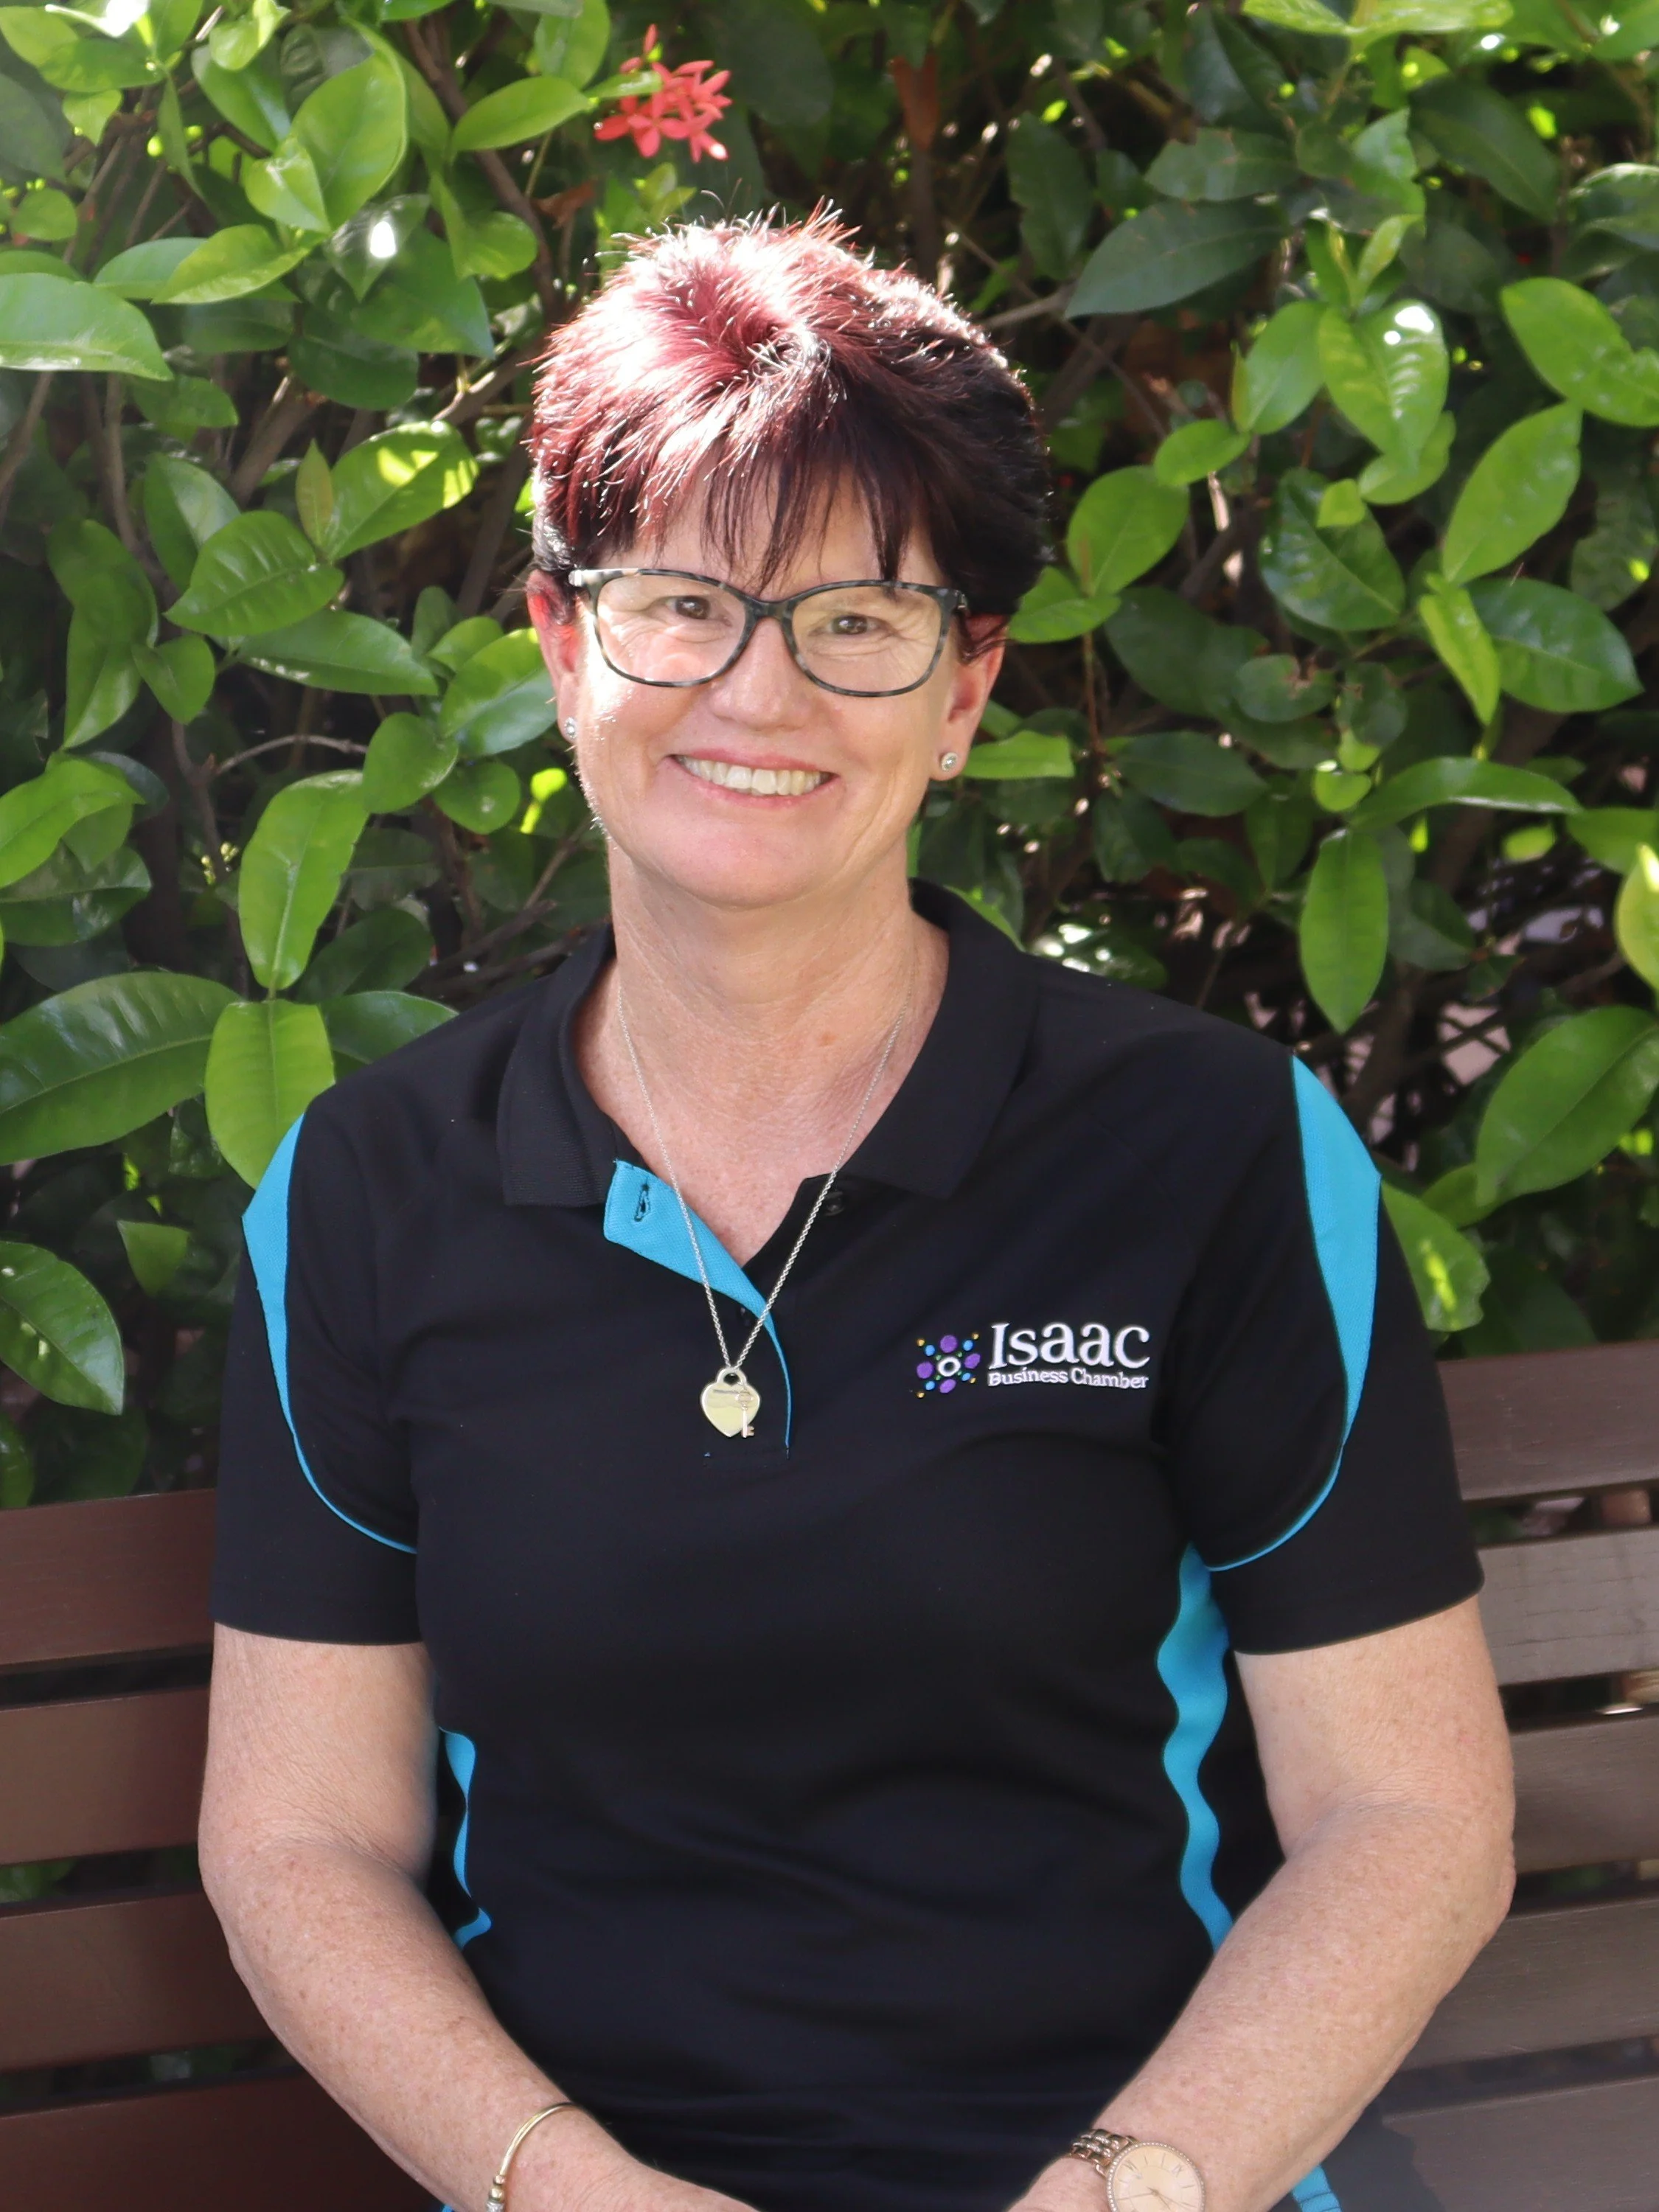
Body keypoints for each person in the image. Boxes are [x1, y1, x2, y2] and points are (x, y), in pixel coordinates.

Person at [201, 213, 1514, 2212]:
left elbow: (1408, 1815)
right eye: (682, 606)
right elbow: (297, 1842)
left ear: (966, 693)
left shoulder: (1213, 1150)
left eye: (858, 622)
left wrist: (1126, 2190)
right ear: (566, 649)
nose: (763, 689)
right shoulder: (372, 1190)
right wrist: (561, 2189)